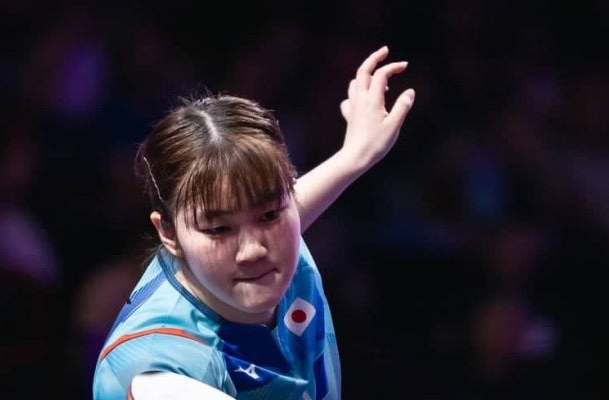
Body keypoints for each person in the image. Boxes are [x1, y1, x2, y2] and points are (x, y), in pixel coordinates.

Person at [91, 45, 415, 399]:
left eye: (269, 215)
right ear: (168, 233)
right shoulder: (159, 368)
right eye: (219, 229)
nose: (253, 249)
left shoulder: (279, 228)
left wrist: (355, 155)